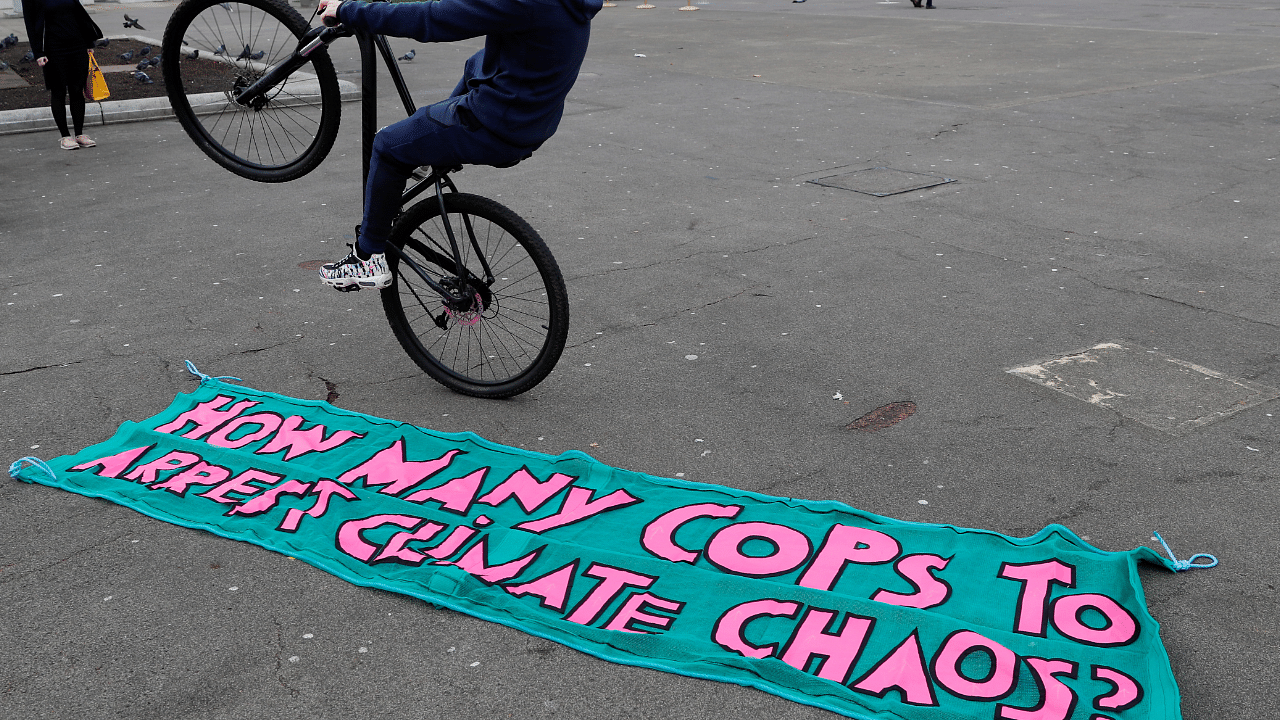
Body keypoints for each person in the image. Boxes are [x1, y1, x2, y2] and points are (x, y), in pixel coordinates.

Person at [316, 0, 602, 291]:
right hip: (530, 122)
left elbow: (432, 19)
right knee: (478, 61)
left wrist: (350, 10)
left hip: (495, 127)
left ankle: (366, 258)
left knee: (388, 144)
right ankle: (428, 145)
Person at [23, 0, 103, 150]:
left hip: (77, 44)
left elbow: (78, 13)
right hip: (53, 48)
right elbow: (30, 22)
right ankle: (65, 136)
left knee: (77, 89)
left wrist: (88, 43)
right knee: (58, 90)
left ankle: (79, 134)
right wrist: (38, 52)